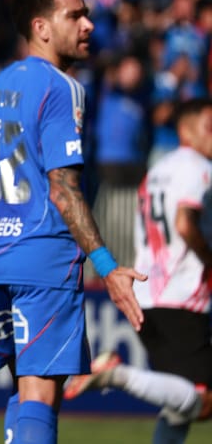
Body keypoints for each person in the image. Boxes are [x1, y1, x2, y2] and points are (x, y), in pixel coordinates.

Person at [0, 0, 147, 444]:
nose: (89, 25)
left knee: (26, 390)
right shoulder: (64, 87)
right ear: (42, 27)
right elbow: (64, 189)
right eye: (76, 15)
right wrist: (107, 267)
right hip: (41, 257)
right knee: (43, 395)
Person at [65, 98, 212, 443]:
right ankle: (117, 375)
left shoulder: (157, 170)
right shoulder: (199, 168)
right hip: (181, 295)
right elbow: (185, 224)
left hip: (147, 294)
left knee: (179, 402)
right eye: (209, 126)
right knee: (202, 400)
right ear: (185, 129)